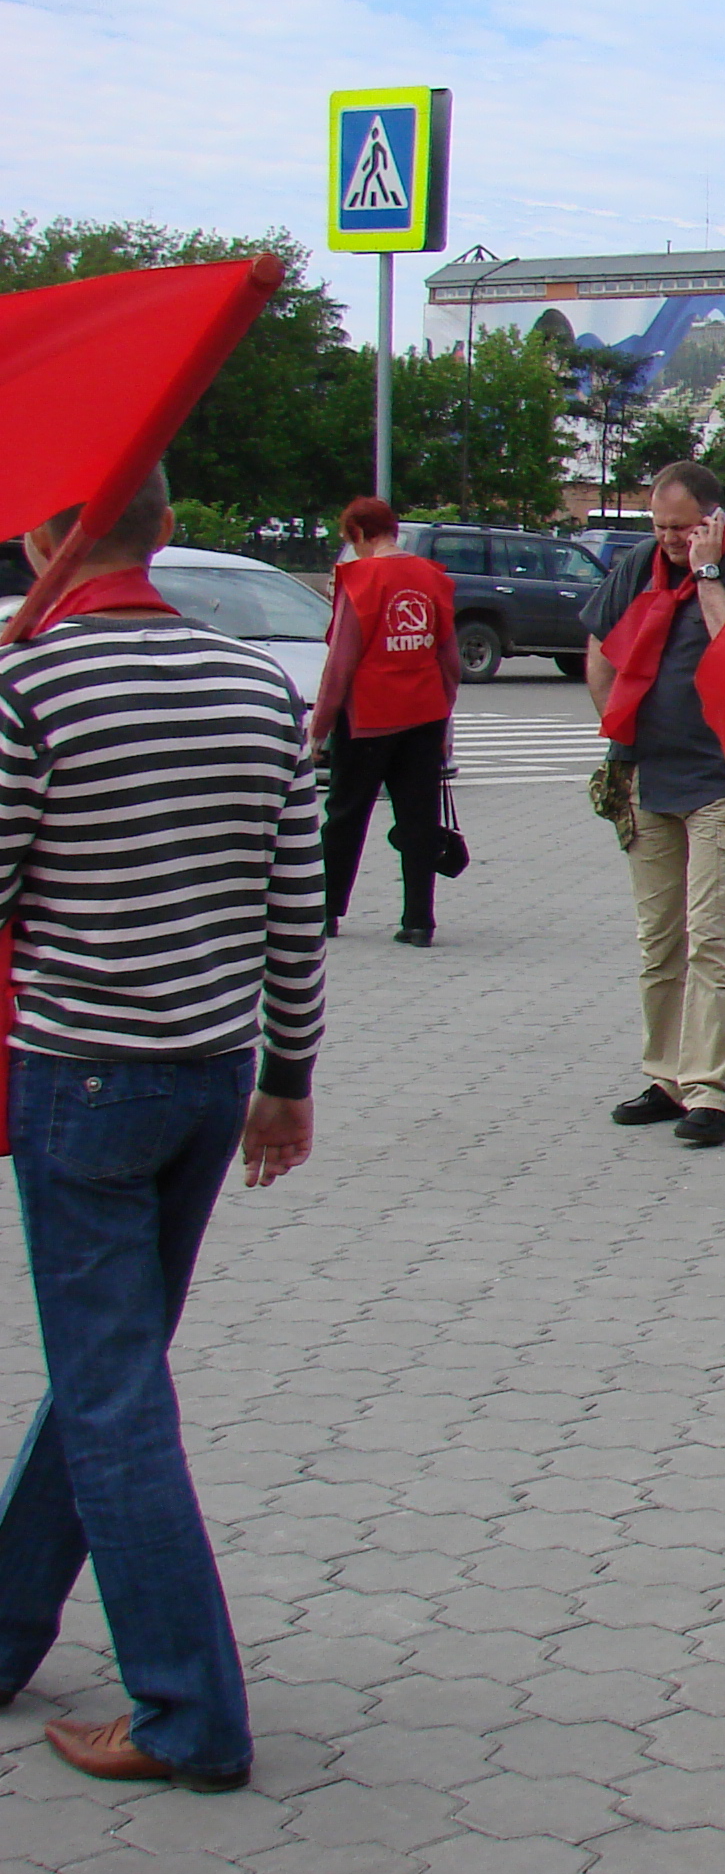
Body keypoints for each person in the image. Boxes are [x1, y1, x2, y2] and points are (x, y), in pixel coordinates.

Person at [0, 460, 322, 1792]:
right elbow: (291, 905)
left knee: (116, 1390)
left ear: (42, 537)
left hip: (79, 1072)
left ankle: (190, 1710)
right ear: (169, 528)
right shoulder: (257, 686)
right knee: (112, 1366)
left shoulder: (32, 688)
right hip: (206, 1074)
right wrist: (288, 1077)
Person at [582, 462, 725, 1149]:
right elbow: (598, 651)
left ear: (714, 520)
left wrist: (710, 572)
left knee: (712, 936)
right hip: (646, 778)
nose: (669, 542)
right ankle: (666, 1077)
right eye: (660, 528)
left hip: (721, 781)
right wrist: (616, 733)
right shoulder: (639, 566)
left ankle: (712, 1091)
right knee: (660, 941)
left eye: (682, 530)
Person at [311, 497, 460, 946]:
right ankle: (418, 920)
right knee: (418, 818)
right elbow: (449, 659)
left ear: (358, 533)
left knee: (345, 815)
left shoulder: (359, 581)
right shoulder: (433, 578)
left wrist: (319, 728)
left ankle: (326, 911)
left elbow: (341, 662)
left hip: (368, 718)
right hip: (424, 714)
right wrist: (445, 719)